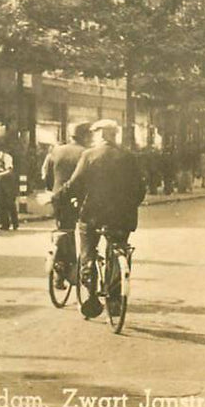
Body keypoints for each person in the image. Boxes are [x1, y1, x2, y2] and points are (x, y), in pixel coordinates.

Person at [52, 119, 145, 316]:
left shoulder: (89, 155)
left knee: (88, 252)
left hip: (93, 215)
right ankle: (115, 300)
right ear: (114, 134)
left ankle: (91, 297)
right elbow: (140, 189)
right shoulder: (128, 157)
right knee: (118, 250)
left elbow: (74, 185)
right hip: (121, 217)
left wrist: (55, 198)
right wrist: (128, 206)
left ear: (100, 134)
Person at [42, 123, 92, 285]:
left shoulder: (56, 151)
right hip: (80, 198)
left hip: (59, 197)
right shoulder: (86, 153)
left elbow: (47, 175)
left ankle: (60, 269)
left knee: (65, 231)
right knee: (87, 232)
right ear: (85, 136)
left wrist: (53, 192)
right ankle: (81, 270)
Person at [0, 141, 18, 231]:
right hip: (0, 182)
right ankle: (4, 224)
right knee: (1, 203)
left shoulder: (7, 157)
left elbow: (9, 171)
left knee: (10, 203)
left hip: (8, 182)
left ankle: (15, 223)